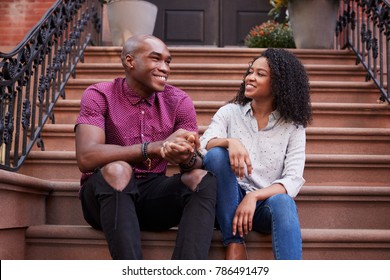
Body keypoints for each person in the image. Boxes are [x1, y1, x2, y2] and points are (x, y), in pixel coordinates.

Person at [75, 34, 217, 260]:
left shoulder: (179, 101)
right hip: (105, 197)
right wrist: (151, 148)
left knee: (201, 178)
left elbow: (195, 161)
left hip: (153, 194)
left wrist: (185, 156)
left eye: (168, 61)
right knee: (119, 169)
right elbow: (86, 157)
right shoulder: (99, 94)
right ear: (130, 61)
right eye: (156, 59)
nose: (165, 68)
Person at [200, 48, 312, 260]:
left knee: (284, 202)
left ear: (279, 83)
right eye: (250, 72)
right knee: (216, 155)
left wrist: (254, 196)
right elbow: (203, 145)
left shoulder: (293, 127)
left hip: (261, 205)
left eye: (260, 74)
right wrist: (230, 142)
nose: (250, 78)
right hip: (226, 200)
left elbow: (293, 179)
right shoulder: (230, 112)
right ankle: (233, 241)